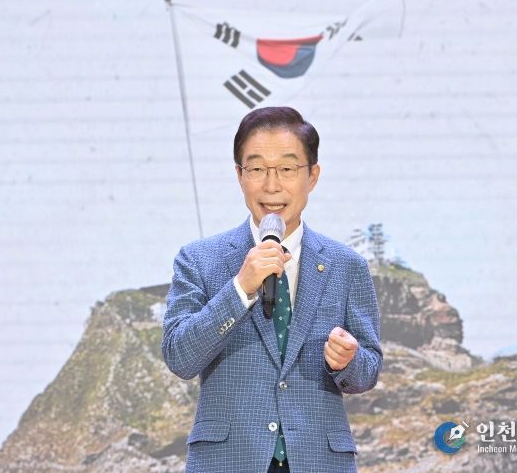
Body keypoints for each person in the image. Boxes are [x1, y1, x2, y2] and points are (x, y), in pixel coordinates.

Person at [162, 107, 382, 473]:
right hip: (227, 461)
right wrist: (239, 289)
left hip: (319, 461)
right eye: (257, 169)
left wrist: (348, 361)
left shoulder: (346, 265)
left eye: (287, 169)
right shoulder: (199, 259)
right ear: (239, 175)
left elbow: (368, 371)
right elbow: (179, 357)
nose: (272, 185)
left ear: (312, 176)